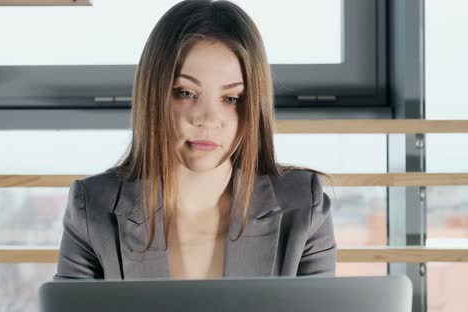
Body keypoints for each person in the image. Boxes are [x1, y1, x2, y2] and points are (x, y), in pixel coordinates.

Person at [55, 0, 336, 280]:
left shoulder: (303, 207)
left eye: (231, 98)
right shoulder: (91, 209)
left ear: (253, 105)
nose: (207, 119)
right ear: (154, 95)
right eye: (186, 93)